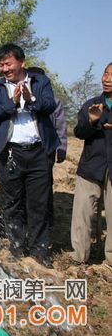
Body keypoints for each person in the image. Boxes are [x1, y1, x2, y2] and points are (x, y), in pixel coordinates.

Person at [0, 44, 58, 268]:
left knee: (38, 202)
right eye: (1, 65)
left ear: (22, 62)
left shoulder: (40, 82)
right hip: (11, 152)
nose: (4, 69)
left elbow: (49, 105)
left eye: (8, 64)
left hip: (38, 151)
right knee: (12, 202)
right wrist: (13, 102)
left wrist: (31, 99)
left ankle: (39, 248)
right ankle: (17, 245)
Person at [69, 63, 112, 268]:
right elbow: (79, 132)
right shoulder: (92, 104)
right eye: (106, 74)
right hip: (91, 166)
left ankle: (110, 261)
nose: (107, 79)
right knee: (83, 213)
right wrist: (93, 121)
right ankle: (80, 256)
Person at [27, 66, 68, 228]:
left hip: (47, 149)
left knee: (45, 185)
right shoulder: (20, 99)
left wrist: (61, 149)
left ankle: (48, 220)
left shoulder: (53, 101)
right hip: (26, 149)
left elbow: (61, 126)